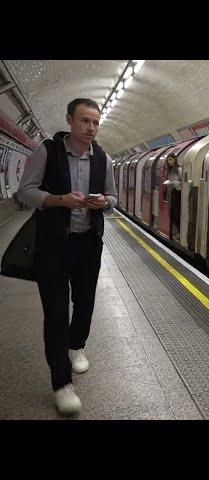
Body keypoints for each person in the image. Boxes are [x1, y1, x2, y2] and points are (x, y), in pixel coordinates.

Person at [17, 98, 118, 415]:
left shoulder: (104, 159)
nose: (91, 128)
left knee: (85, 302)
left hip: (89, 244)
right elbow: (25, 191)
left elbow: (113, 198)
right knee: (56, 314)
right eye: (85, 121)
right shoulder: (47, 151)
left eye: (96, 123)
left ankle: (77, 346)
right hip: (53, 246)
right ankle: (62, 383)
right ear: (70, 121)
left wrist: (103, 201)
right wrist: (60, 200)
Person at [165, 153, 182, 241]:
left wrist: (173, 183)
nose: (169, 162)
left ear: (175, 160)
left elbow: (183, 183)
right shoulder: (170, 171)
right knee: (172, 214)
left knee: (176, 214)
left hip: (179, 194)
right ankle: (177, 232)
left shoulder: (179, 170)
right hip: (173, 193)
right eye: (168, 160)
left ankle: (180, 232)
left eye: (171, 160)